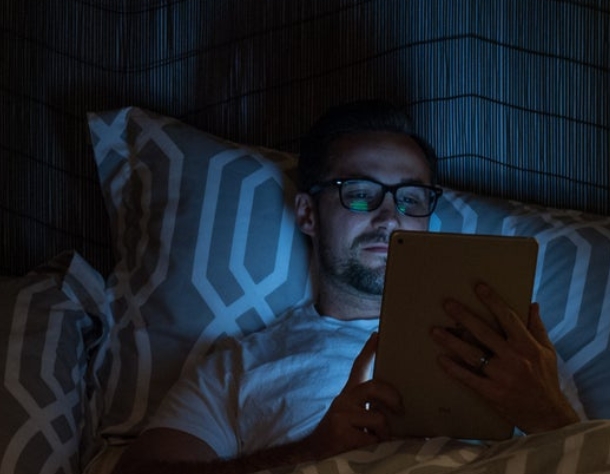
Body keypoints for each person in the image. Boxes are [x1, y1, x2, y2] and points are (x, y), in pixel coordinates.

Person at [113, 100, 580, 474]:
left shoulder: (516, 353)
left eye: (410, 198)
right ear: (307, 214)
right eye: (359, 192)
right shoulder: (240, 368)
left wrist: (550, 419)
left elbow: (609, 455)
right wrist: (314, 450)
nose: (389, 216)